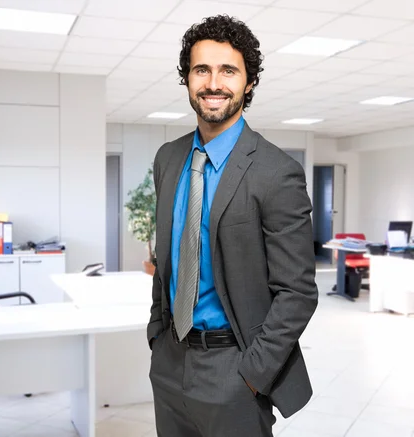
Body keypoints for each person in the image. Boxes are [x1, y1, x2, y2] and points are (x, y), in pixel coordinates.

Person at [147, 14, 318, 437]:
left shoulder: (276, 172)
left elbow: (297, 291)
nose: (213, 82)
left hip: (234, 368)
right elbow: (169, 252)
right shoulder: (168, 159)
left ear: (249, 82)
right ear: (187, 78)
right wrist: (157, 333)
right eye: (201, 69)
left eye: (228, 70)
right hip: (169, 363)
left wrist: (252, 374)